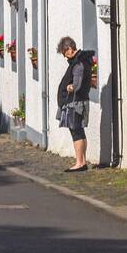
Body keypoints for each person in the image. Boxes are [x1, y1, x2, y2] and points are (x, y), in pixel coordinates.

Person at [56, 36, 93, 173]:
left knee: (76, 131)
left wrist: (69, 87)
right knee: (79, 131)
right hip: (76, 102)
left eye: (65, 54)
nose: (66, 58)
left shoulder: (78, 64)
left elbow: (77, 84)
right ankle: (81, 161)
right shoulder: (80, 62)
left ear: (70, 49)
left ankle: (80, 162)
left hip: (75, 103)